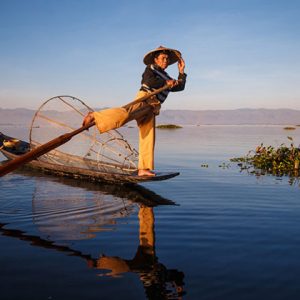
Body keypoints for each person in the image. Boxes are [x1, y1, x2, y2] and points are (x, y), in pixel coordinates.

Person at [82, 46, 187, 176]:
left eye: (167, 59)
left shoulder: (166, 76)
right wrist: (166, 82)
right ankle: (94, 115)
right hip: (145, 99)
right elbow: (148, 81)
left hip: (153, 106)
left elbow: (180, 86)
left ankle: (144, 168)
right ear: (156, 59)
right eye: (163, 58)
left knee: (148, 136)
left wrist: (181, 72)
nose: (166, 60)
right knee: (125, 114)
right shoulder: (151, 68)